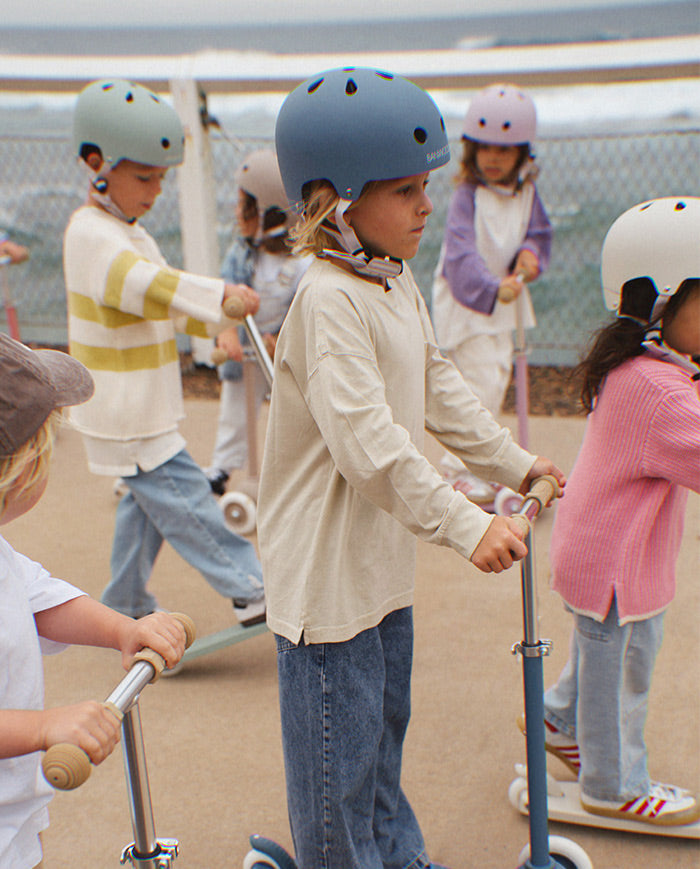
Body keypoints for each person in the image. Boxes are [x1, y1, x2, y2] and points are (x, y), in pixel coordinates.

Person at [256, 67, 566, 869]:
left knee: (380, 744)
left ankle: (399, 856)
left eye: (427, 186)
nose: (428, 205)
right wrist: (468, 524)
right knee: (338, 767)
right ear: (337, 202)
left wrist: (514, 462)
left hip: (378, 569)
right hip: (326, 585)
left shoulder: (391, 280)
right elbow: (372, 449)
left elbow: (439, 388)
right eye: (404, 190)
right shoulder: (329, 300)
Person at [63, 78, 265, 624]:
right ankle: (249, 586)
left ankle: (125, 601)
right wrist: (220, 297)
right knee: (186, 498)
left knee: (146, 506)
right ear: (96, 163)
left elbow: (161, 302)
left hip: (137, 405)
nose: (155, 191)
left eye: (161, 178)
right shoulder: (92, 235)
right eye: (143, 177)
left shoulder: (127, 231)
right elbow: (149, 286)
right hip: (127, 409)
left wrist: (217, 322)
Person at [533, 197, 700, 827]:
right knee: (623, 673)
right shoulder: (659, 391)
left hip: (602, 552)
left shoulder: (638, 366)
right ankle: (612, 783)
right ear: (661, 305)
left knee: (600, 657)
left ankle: (559, 719)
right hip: (616, 569)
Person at [0, 332, 187, 869]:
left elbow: (37, 596)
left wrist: (123, 630)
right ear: (17, 471)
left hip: (15, 810)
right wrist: (41, 728)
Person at [431, 83, 552, 504]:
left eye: (503, 150)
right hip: (469, 302)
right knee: (475, 386)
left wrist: (530, 255)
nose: (493, 158)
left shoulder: (526, 193)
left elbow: (537, 233)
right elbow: (460, 254)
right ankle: (456, 469)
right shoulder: (468, 196)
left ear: (521, 153)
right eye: (484, 148)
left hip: (505, 301)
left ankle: (488, 465)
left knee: (496, 378)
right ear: (471, 150)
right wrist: (490, 287)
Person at [205, 148, 310, 495]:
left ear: (272, 215)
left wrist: (283, 338)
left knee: (295, 412)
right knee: (235, 409)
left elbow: (302, 307)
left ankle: (300, 473)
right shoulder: (242, 254)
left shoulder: (300, 263)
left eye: (244, 206)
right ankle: (221, 469)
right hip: (245, 347)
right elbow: (225, 293)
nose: (237, 213)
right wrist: (226, 332)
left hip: (280, 348)